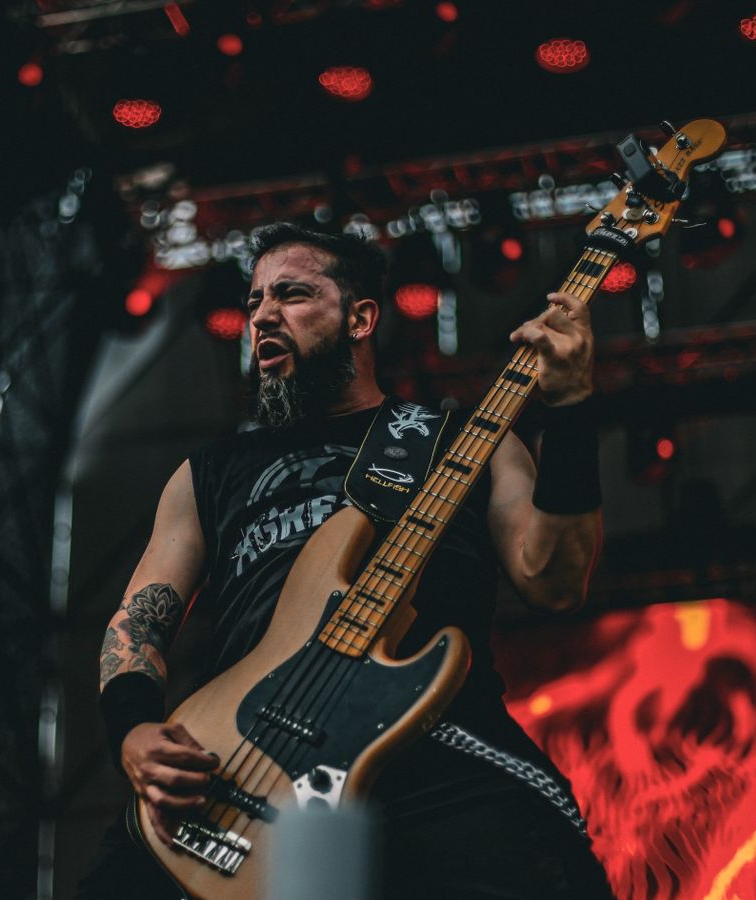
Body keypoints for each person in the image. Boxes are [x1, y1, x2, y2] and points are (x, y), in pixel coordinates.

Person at [79, 223, 613, 898]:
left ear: (361, 318)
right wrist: (133, 730)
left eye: (292, 294)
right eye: (253, 302)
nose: (264, 316)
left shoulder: (462, 442)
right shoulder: (209, 473)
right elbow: (141, 619)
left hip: (431, 747)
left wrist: (568, 410)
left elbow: (555, 579)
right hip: (239, 766)